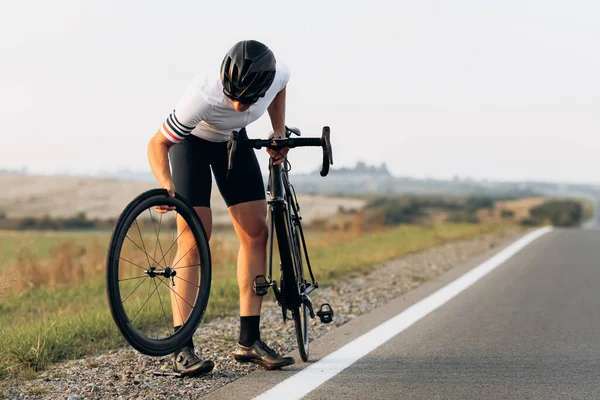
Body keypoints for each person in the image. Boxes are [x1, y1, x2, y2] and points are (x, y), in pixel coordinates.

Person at [147, 39, 295, 377]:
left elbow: (283, 86)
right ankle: (182, 348)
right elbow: (158, 142)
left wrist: (277, 128)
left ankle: (249, 341)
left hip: (232, 141)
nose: (237, 104)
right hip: (191, 146)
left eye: (245, 99)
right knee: (195, 239)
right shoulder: (201, 95)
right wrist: (165, 182)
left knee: (257, 233)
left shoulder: (276, 74)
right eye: (232, 96)